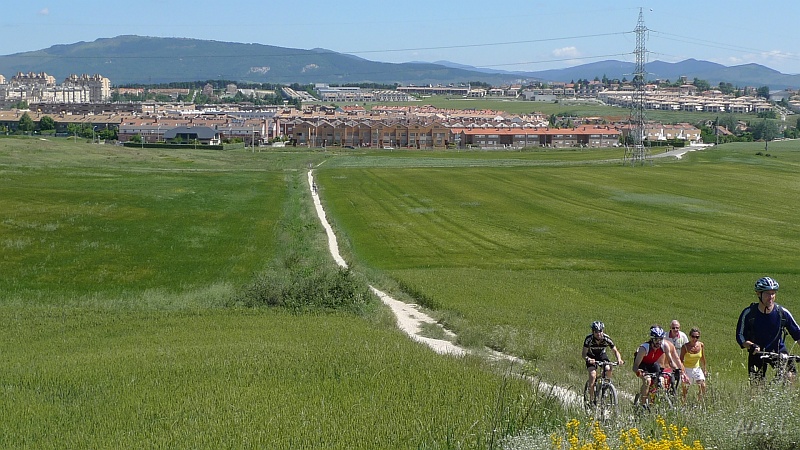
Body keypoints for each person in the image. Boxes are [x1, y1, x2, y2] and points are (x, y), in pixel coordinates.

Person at [736, 276, 800, 382]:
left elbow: (797, 333)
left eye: (773, 293)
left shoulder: (782, 313)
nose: (771, 297)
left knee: (790, 377)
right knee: (757, 387)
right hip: (757, 352)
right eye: (767, 293)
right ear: (758, 294)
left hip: (778, 350)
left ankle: (785, 398)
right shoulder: (749, 313)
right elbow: (740, 335)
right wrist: (751, 345)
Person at [632, 325, 687, 406]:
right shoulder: (644, 348)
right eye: (656, 339)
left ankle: (652, 401)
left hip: (653, 364)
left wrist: (677, 370)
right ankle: (642, 405)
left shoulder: (664, 346)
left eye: (661, 339)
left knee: (660, 380)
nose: (659, 342)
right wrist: (639, 372)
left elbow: (671, 362)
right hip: (642, 365)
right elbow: (635, 365)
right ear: (652, 339)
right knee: (647, 380)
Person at [582, 321, 624, 404]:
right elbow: (583, 354)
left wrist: (619, 359)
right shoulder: (589, 339)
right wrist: (588, 359)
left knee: (608, 368)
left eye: (600, 331)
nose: (599, 334)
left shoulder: (606, 338)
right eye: (596, 332)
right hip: (591, 356)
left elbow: (615, 351)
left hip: (601, 355)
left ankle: (606, 385)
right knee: (592, 375)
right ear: (593, 332)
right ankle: (591, 400)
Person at [680, 327, 707, 402]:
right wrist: (683, 372)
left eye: (697, 337)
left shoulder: (701, 345)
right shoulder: (685, 347)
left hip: (697, 368)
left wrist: (704, 369)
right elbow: (681, 360)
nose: (695, 339)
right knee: (685, 389)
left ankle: (699, 402)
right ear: (690, 336)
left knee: (703, 386)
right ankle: (683, 404)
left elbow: (703, 358)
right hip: (687, 369)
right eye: (693, 336)